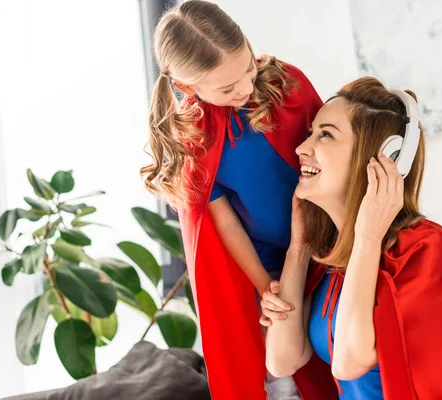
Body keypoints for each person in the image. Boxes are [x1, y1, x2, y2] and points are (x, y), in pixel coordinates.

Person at [140, 1, 328, 398]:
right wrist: (266, 287)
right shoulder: (194, 140)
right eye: (227, 88)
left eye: (247, 67)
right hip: (265, 266)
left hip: (326, 246)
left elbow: (337, 160)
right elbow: (222, 221)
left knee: (336, 352)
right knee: (279, 369)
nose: (244, 88)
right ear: (188, 87)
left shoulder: (285, 85)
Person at [260, 77, 442, 399]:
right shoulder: (329, 258)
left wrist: (367, 236)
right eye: (311, 133)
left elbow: (349, 362)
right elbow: (282, 360)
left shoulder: (425, 247)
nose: (301, 148)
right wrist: (299, 247)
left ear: (382, 158)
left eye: (325, 135)